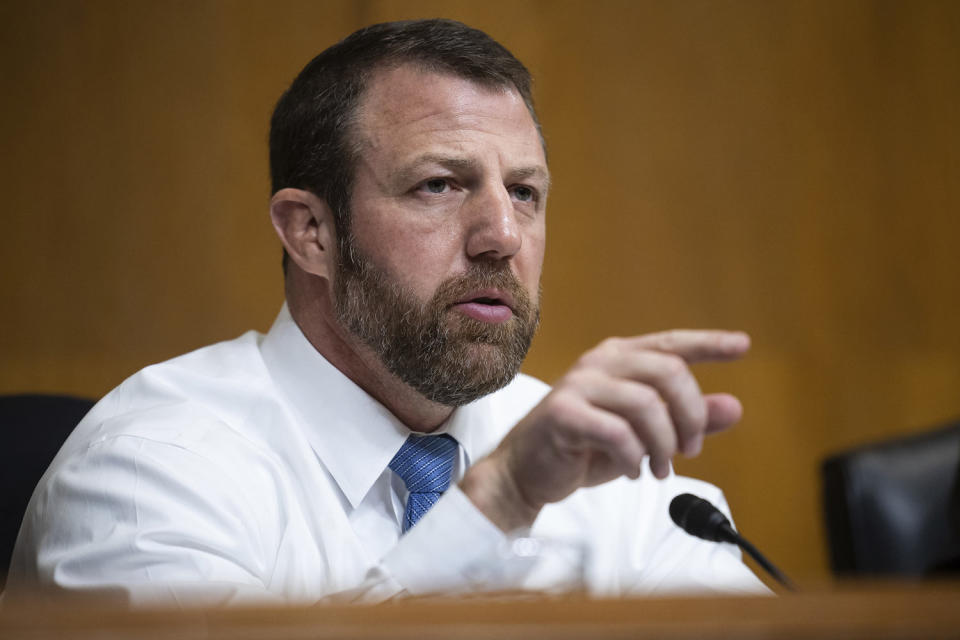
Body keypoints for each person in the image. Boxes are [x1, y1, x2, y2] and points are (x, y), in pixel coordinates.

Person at [7, 19, 766, 606]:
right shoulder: (149, 470)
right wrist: (495, 504)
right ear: (313, 231)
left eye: (525, 193)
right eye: (440, 184)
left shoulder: (604, 467)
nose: (503, 236)